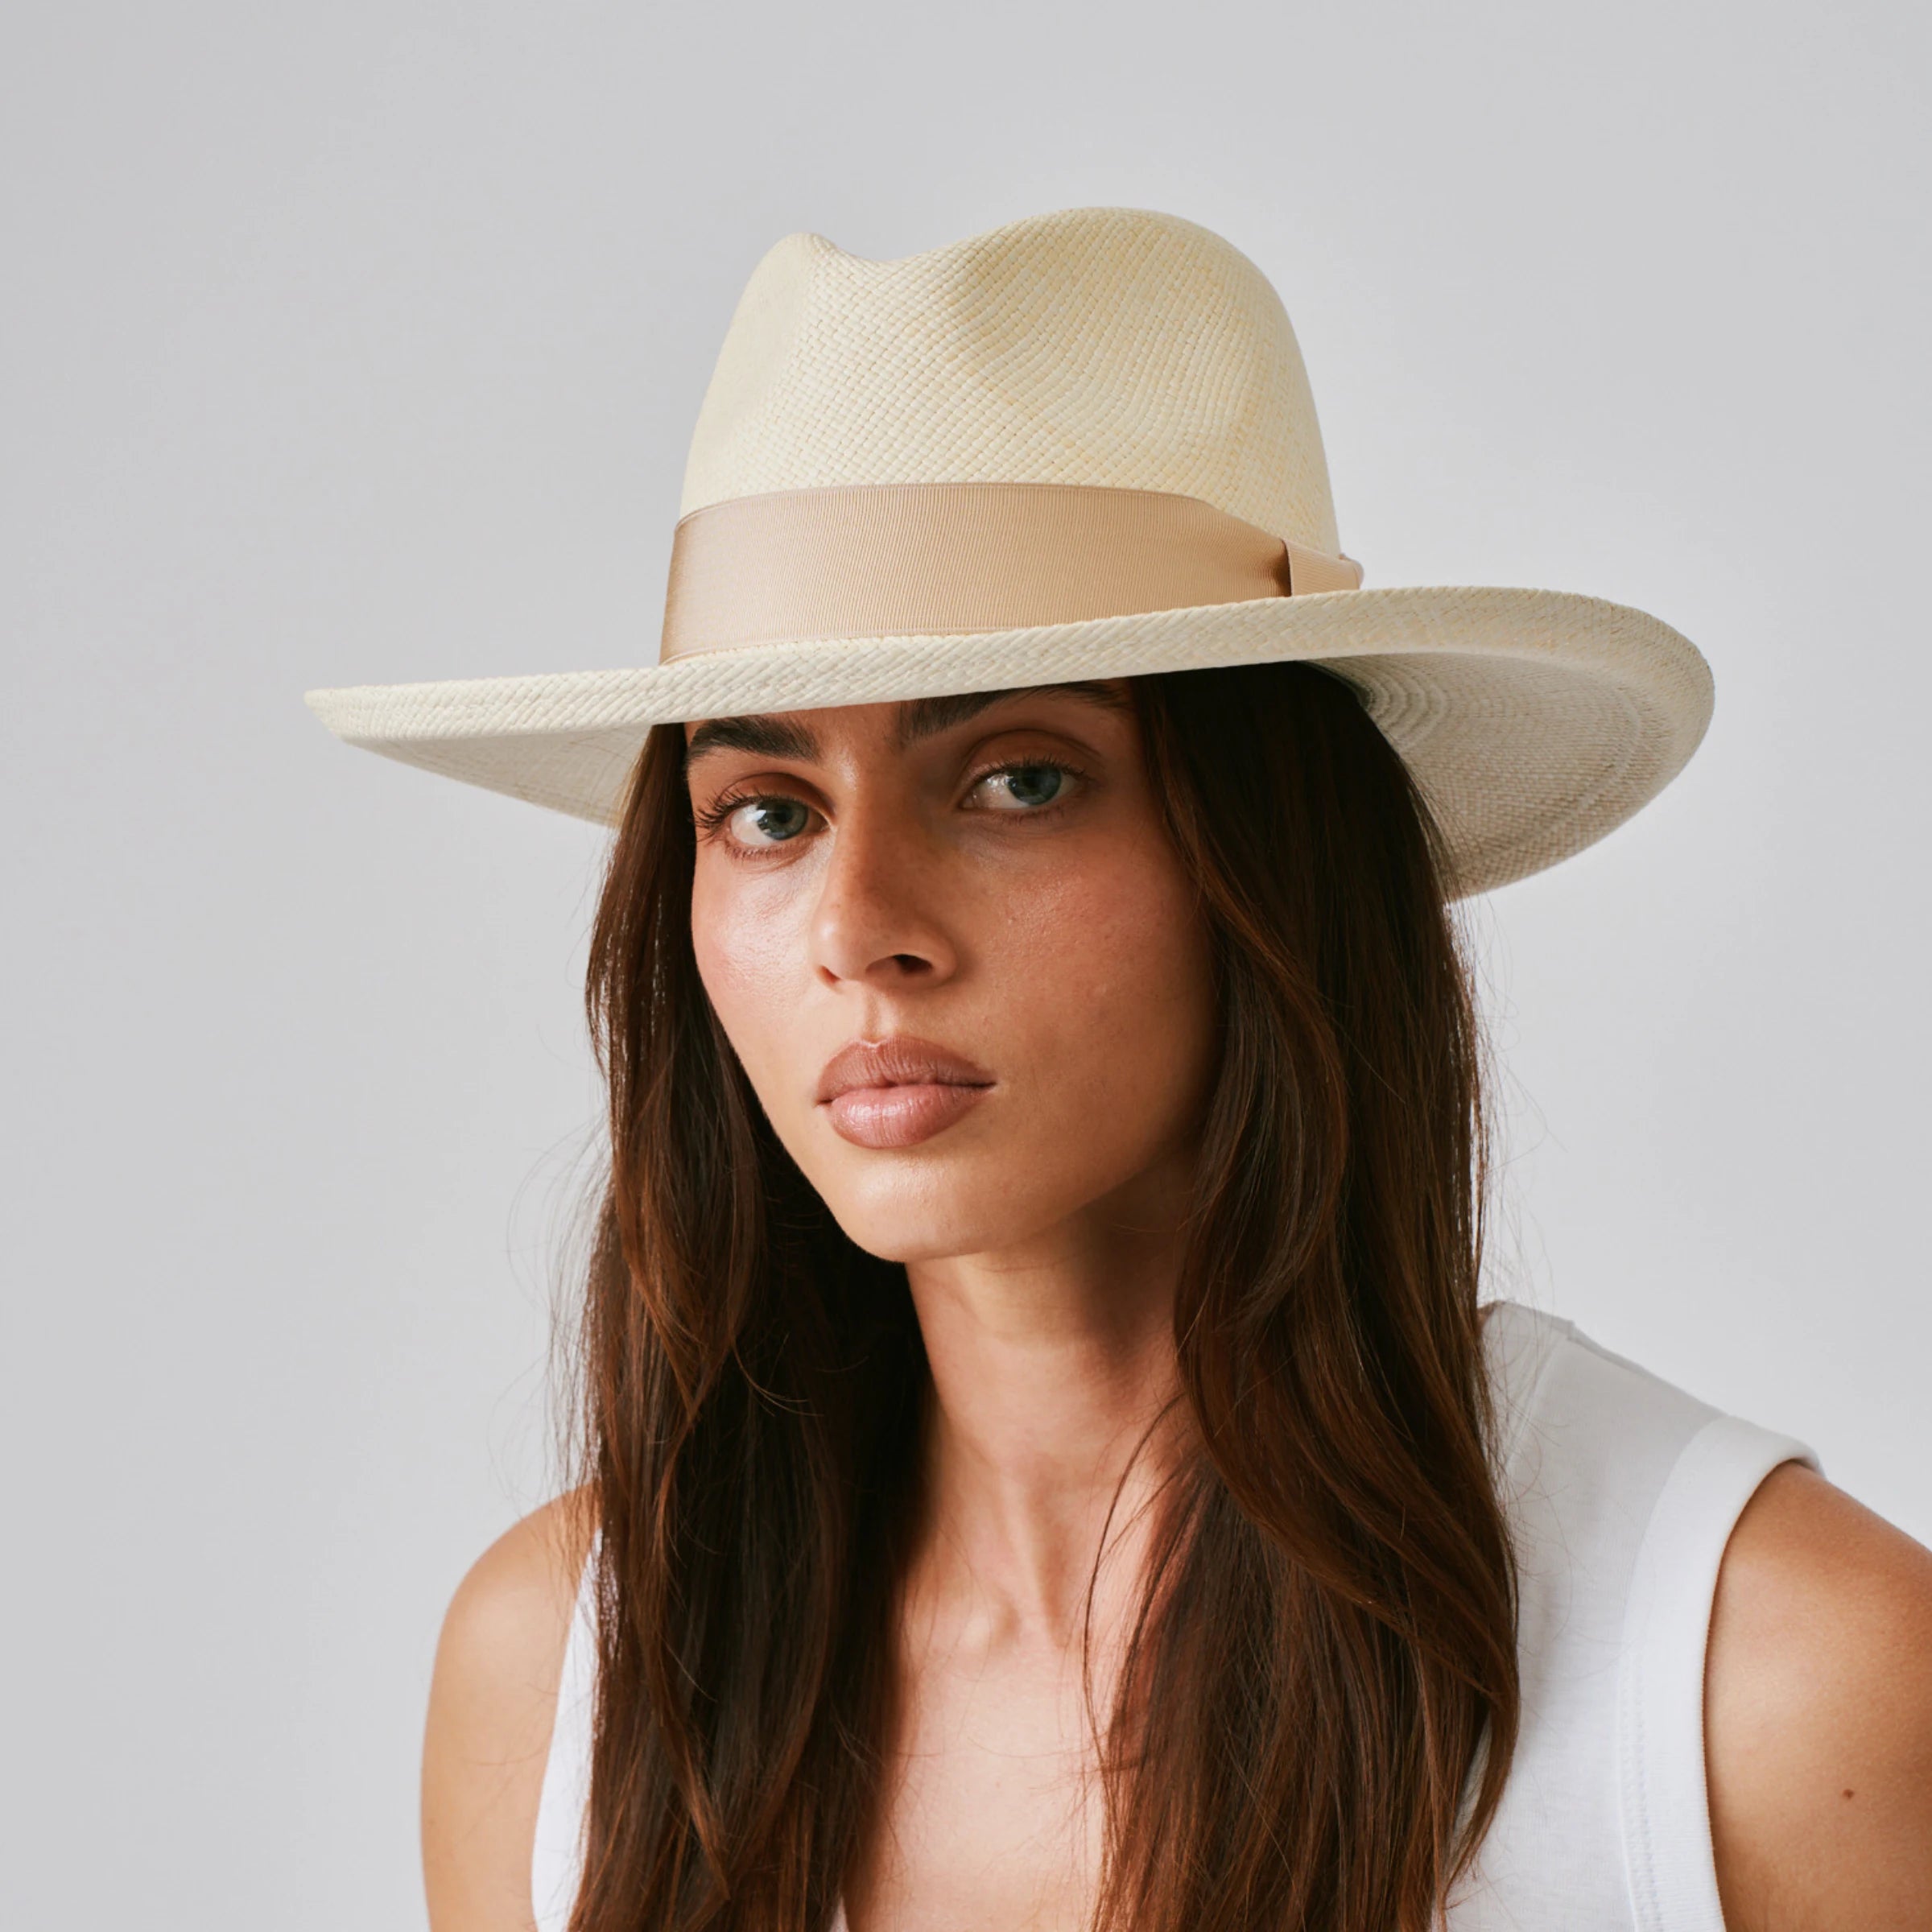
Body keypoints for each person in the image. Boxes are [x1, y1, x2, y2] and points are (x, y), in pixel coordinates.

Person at [305, 207, 1932, 1932]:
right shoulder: (569, 1681)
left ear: (1272, 854)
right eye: (766, 812)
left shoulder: (1770, 1690)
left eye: (1020, 779)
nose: (862, 926)